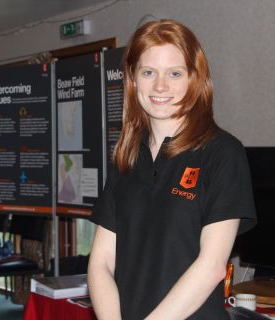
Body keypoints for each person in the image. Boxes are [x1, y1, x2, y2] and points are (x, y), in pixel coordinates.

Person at [88, 19, 256, 320]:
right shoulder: (126, 156)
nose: (160, 86)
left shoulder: (222, 153)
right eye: (148, 72)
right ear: (133, 79)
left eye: (174, 73)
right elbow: (101, 261)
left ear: (194, 78)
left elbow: (212, 265)